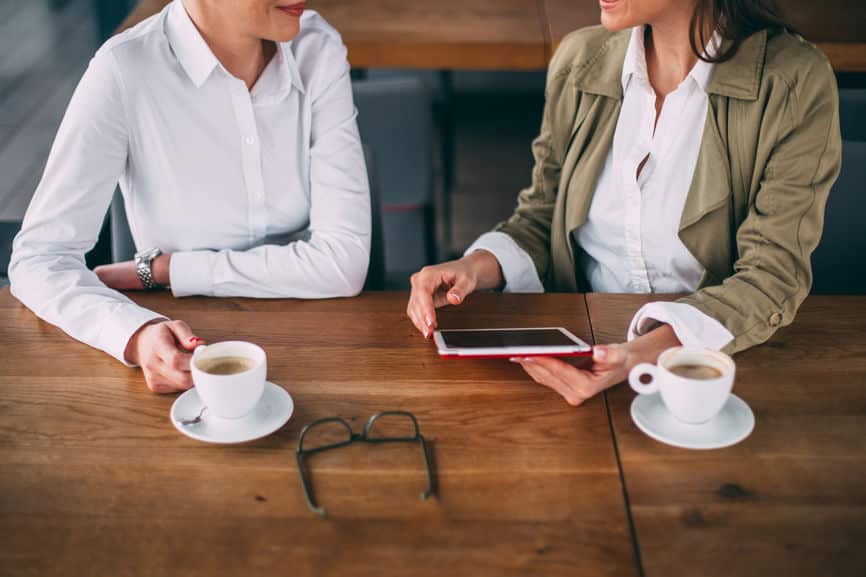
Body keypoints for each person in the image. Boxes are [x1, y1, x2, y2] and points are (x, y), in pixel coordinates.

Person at [407, 0, 841, 406]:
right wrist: (476, 267)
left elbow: (770, 278)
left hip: (705, 378)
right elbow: (542, 214)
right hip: (568, 363)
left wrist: (641, 355)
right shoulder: (581, 60)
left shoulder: (792, 83)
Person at [9, 0, 370, 393]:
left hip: (321, 348)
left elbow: (343, 262)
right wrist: (135, 333)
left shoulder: (316, 46)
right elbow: (40, 259)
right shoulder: (124, 69)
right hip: (183, 355)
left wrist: (170, 270)